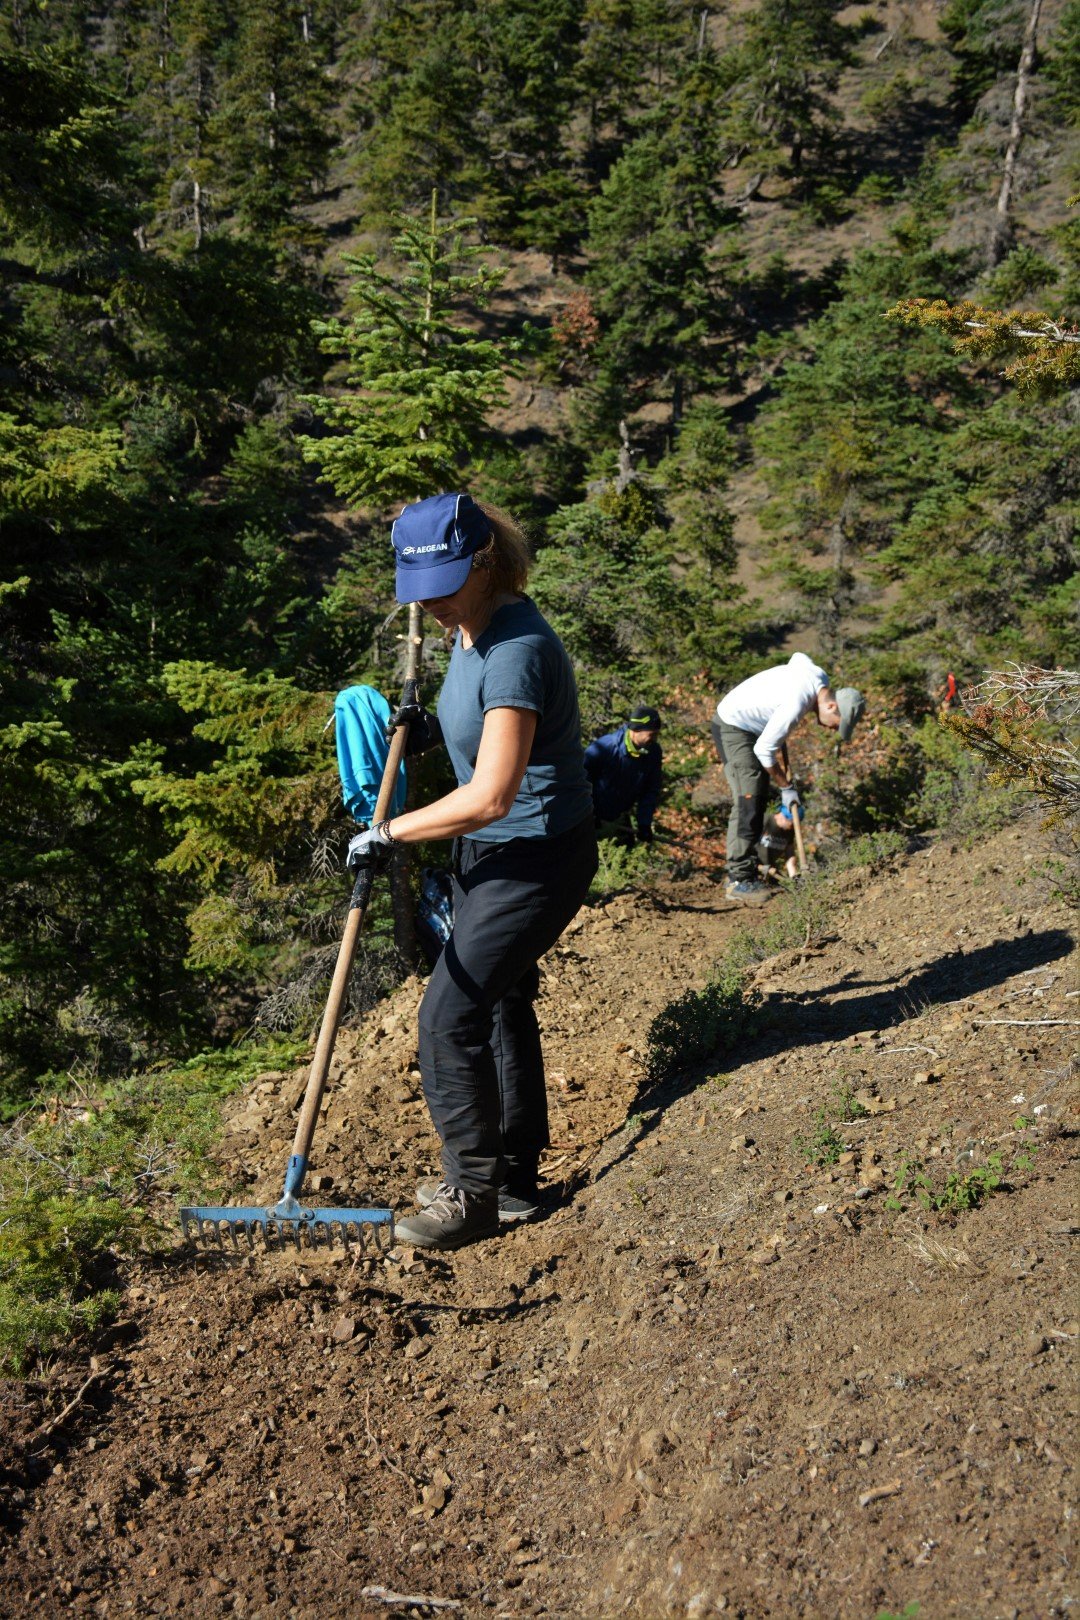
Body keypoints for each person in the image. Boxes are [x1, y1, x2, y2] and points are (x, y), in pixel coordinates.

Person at [346, 492, 598, 1250]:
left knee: (446, 1014)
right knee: (495, 1001)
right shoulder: (466, 630)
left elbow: (491, 794)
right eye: (418, 588)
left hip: (534, 856)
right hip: (491, 857)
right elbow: (476, 727)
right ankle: (513, 1176)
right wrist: (424, 733)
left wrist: (387, 832)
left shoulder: (517, 647)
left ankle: (473, 1195)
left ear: (487, 563)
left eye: (445, 583)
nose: (430, 602)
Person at [711, 652, 864, 904]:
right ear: (831, 706)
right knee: (749, 797)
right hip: (733, 726)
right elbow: (764, 751)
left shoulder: (818, 677)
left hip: (751, 727)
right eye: (838, 723)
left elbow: (798, 657)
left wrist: (774, 701)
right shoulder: (797, 702)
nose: (834, 729)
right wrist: (786, 787)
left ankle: (745, 872)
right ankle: (738, 880)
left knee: (757, 793)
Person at [583, 704, 663, 844]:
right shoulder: (605, 748)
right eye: (651, 734)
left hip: (619, 819)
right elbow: (580, 778)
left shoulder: (653, 752)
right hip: (589, 819)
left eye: (657, 734)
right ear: (636, 730)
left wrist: (644, 824)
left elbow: (650, 790)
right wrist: (586, 812)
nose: (655, 739)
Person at [757, 803, 802, 881]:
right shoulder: (764, 820)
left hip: (770, 871)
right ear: (785, 817)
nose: (792, 827)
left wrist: (794, 876)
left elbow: (790, 854)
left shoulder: (789, 831)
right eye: (792, 823)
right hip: (754, 868)